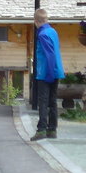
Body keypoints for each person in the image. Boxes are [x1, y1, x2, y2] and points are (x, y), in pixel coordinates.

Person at [31, 8, 64, 141]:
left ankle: (41, 129)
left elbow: (49, 54)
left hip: (45, 72)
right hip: (56, 71)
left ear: (35, 21)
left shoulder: (42, 34)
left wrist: (49, 73)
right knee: (53, 101)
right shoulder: (53, 31)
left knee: (43, 102)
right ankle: (52, 129)